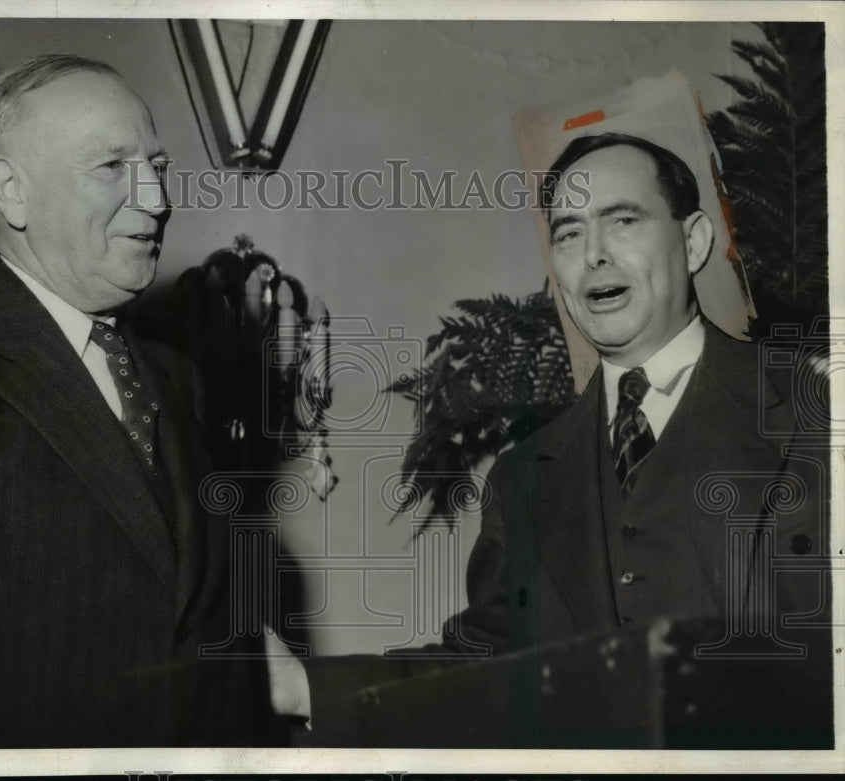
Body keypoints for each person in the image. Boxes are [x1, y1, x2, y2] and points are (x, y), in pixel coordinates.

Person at [273, 132, 831, 745]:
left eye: (623, 221)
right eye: (568, 233)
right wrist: (304, 685)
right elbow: (489, 667)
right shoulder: (522, 475)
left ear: (693, 241)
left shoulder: (815, 413)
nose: (593, 254)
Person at [0, 54, 278, 748]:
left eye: (158, 165)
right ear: (12, 192)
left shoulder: (174, 378)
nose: (156, 198)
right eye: (112, 167)